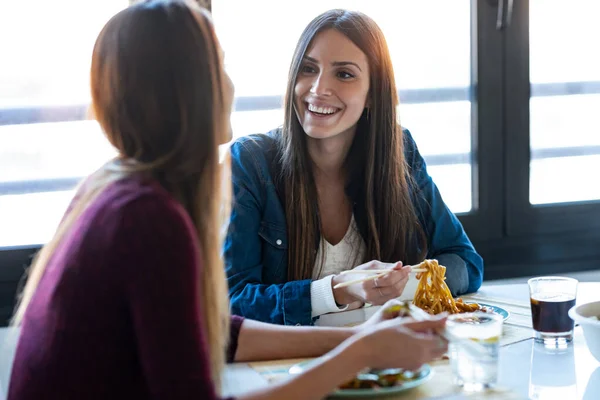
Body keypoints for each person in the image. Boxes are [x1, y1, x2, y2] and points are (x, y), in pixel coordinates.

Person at [7, 2, 448, 399]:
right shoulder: (148, 219)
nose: (232, 85)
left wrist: (359, 340)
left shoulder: (113, 187)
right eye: (219, 67)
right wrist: (357, 355)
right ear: (186, 92)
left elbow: (215, 334)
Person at [225, 8, 484, 326]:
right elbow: (232, 301)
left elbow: (465, 263)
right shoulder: (251, 163)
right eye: (308, 69)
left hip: (383, 360)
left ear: (373, 93)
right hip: (290, 362)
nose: (319, 88)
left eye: (344, 74)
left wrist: (402, 286)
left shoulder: (400, 153)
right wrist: (339, 290)